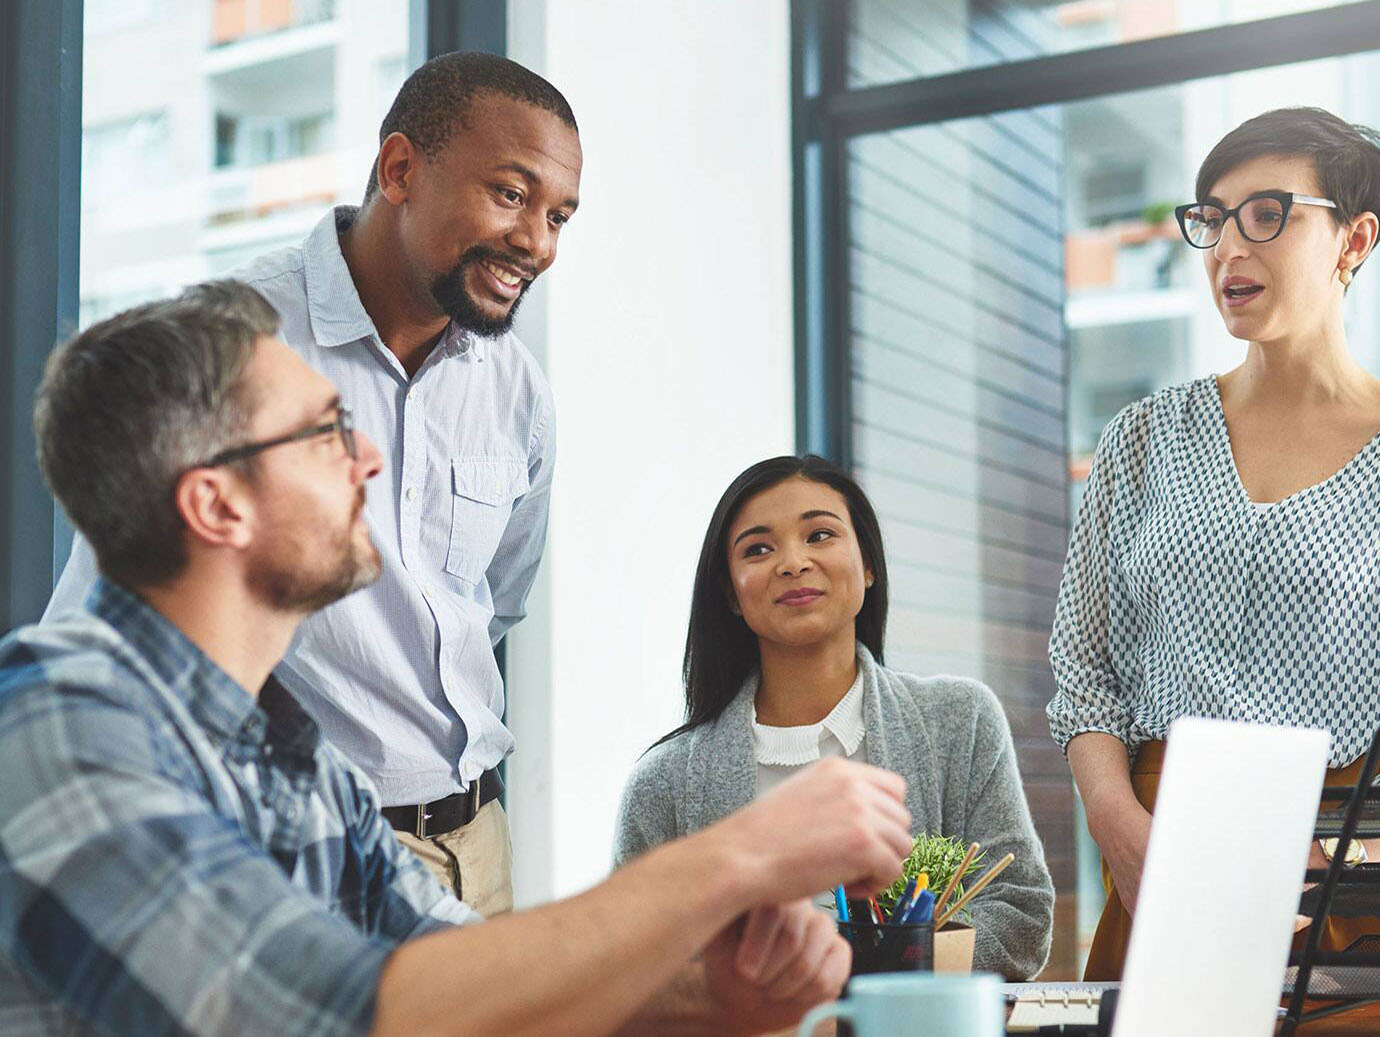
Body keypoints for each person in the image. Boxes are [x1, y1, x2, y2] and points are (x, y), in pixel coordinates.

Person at [0, 284, 917, 1037]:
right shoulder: (57, 720)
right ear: (217, 505)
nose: (367, 458)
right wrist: (741, 853)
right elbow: (328, 1012)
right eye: (326, 431)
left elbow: (460, 976)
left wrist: (715, 997)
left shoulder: (298, 758)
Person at [45, 51, 578, 914]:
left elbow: (493, 604)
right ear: (399, 169)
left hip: (479, 844)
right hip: (293, 849)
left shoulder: (517, 390)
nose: (539, 244)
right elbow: (108, 619)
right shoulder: (237, 342)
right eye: (511, 195)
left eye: (558, 216)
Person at [1047, 107, 1380, 981]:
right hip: (1160, 858)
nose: (1229, 247)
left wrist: (1347, 857)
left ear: (1354, 240)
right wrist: (1118, 827)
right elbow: (1084, 676)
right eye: (1213, 218)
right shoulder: (1141, 438)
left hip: (1348, 876)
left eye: (1268, 214)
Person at [613, 455, 1054, 980]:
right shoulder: (663, 783)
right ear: (730, 593)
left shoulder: (961, 720)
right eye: (758, 549)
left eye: (819, 535)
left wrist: (871, 970)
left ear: (868, 565)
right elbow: (631, 962)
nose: (792, 562)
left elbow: (1020, 915)